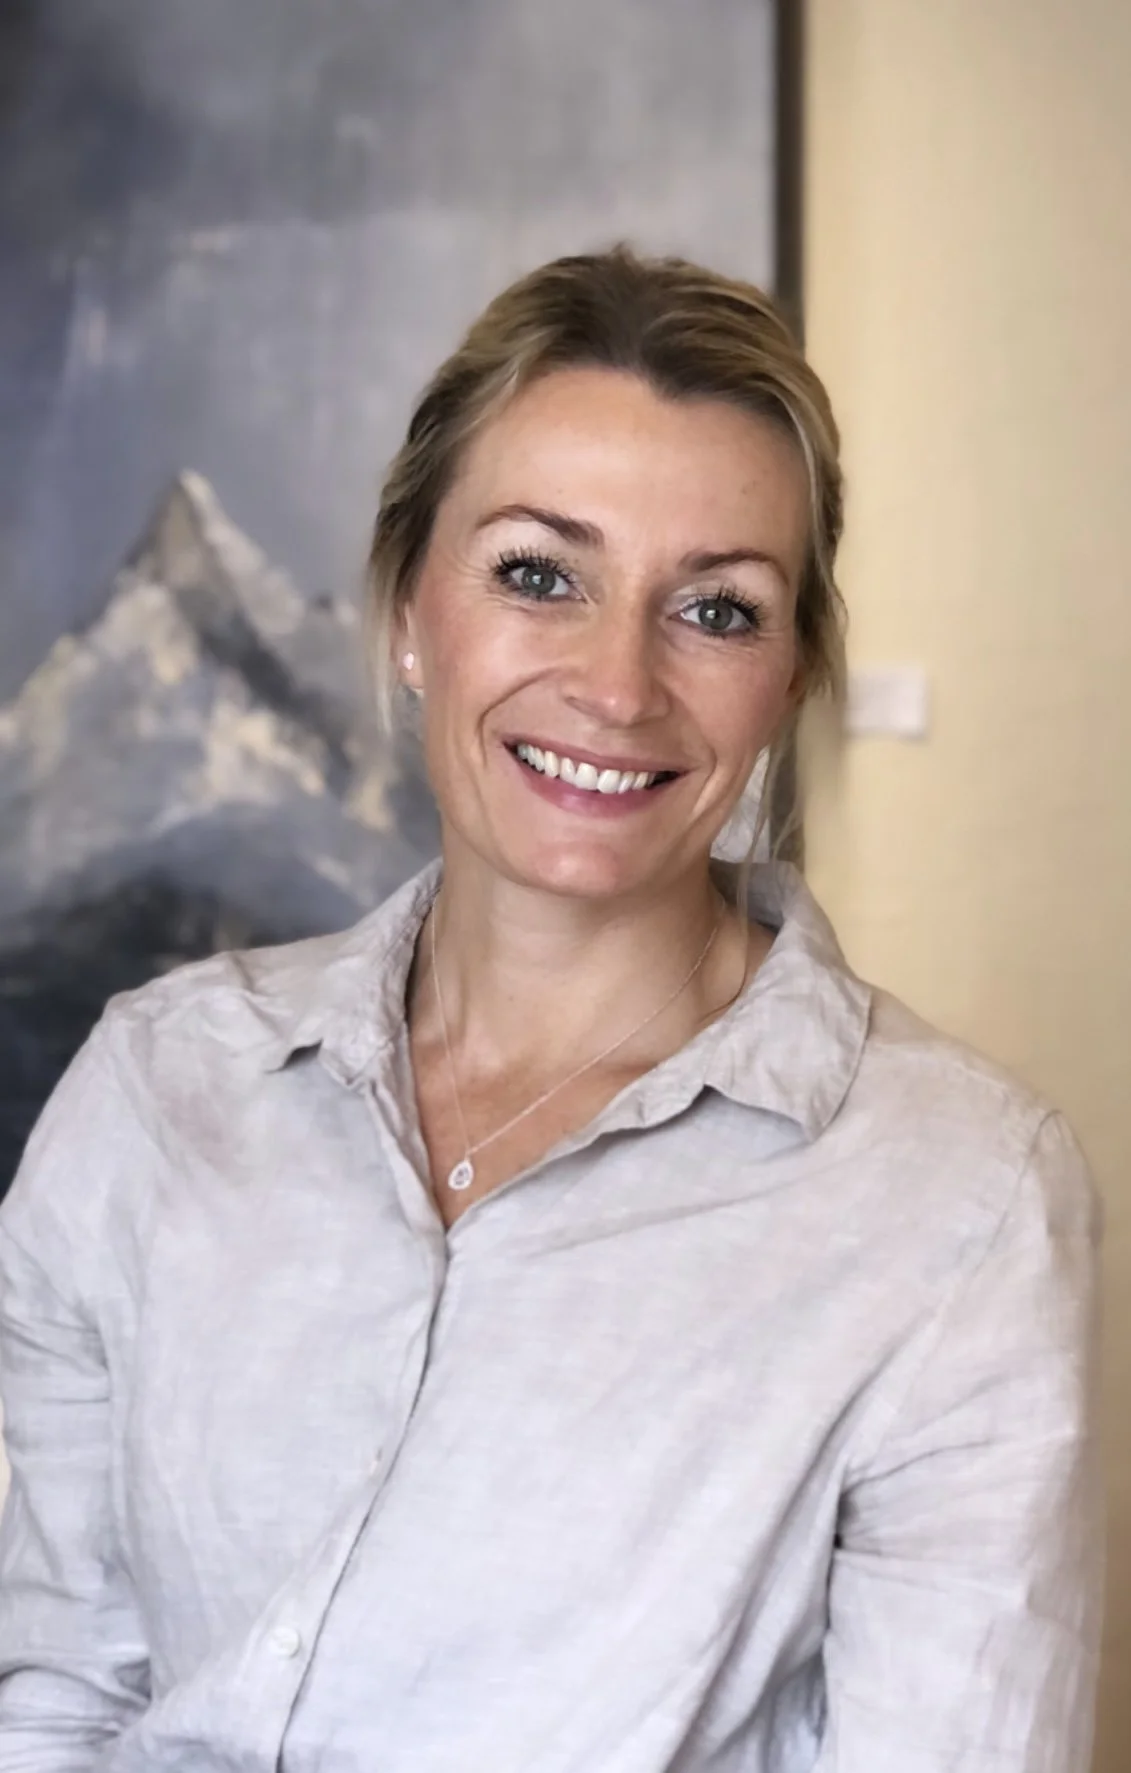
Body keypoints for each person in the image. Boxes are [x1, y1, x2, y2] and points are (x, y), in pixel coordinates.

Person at [0, 247, 1102, 1773]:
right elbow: (53, 1695)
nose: (617, 683)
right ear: (405, 611)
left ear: (786, 682)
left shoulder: (960, 1197)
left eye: (715, 610)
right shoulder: (153, 1088)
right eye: (538, 574)